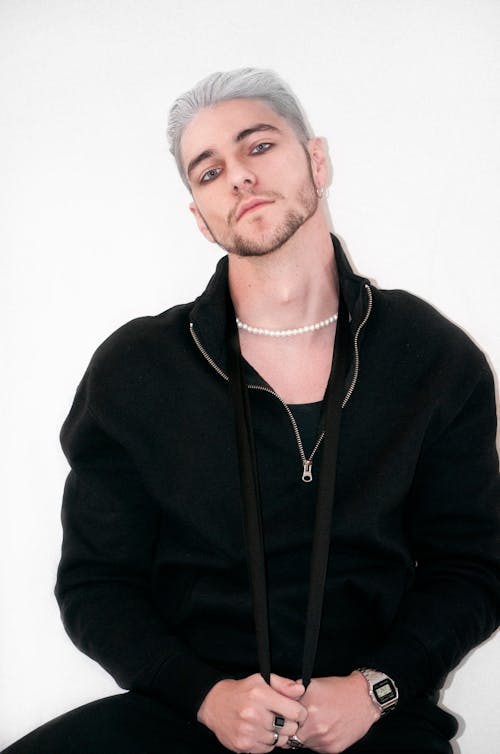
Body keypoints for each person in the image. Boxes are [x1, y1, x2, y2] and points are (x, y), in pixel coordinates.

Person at [3, 68, 499, 754]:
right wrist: (206, 698)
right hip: (187, 713)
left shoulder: (431, 358)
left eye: (258, 146)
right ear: (200, 218)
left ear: (316, 160)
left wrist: (375, 688)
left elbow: (473, 566)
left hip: (371, 720)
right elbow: (96, 584)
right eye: (208, 172)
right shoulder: (137, 371)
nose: (236, 175)